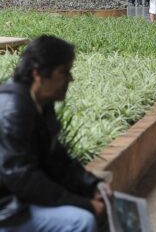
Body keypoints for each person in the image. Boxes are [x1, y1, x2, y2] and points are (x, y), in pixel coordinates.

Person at [0, 35, 111, 231]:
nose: (70, 79)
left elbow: (56, 157)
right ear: (38, 74)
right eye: (63, 72)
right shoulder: (14, 108)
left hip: (20, 199)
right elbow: (20, 176)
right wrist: (82, 203)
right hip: (8, 208)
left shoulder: (41, 102)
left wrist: (91, 185)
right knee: (81, 221)